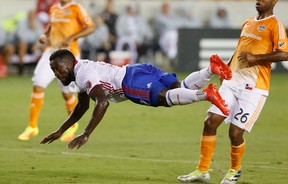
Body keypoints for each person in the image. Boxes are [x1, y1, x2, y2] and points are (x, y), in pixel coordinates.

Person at [177, 0, 288, 184]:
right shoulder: (248, 23)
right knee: (210, 122)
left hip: (254, 88)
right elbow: (240, 50)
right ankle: (202, 171)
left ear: (274, 1)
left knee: (235, 133)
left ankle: (234, 171)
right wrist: (227, 68)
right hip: (231, 82)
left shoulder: (275, 25)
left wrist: (256, 58)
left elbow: (285, 53)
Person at [40, 49, 232, 149]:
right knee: (179, 87)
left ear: (68, 62)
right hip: (137, 69)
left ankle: (206, 94)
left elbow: (102, 102)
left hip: (129, 82)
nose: (56, 73)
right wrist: (60, 130)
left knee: (164, 99)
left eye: (58, 68)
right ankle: (210, 70)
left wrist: (87, 133)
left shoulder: (83, 74)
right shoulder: (81, 71)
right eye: (53, 70)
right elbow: (81, 108)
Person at [18, 0, 95, 142]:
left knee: (67, 94)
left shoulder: (77, 8)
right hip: (50, 53)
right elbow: (51, 28)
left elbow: (90, 27)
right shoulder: (53, 8)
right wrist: (44, 36)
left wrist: (72, 37)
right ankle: (32, 127)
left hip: (68, 56)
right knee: (38, 84)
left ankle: (72, 125)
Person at [15, 10, 43, 75]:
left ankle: (41, 69)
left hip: (33, 44)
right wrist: (30, 28)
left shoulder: (38, 24)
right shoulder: (21, 23)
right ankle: (21, 67)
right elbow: (20, 36)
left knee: (44, 47)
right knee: (23, 45)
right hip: (22, 43)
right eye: (30, 15)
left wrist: (37, 45)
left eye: (33, 15)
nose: (32, 17)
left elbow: (41, 37)